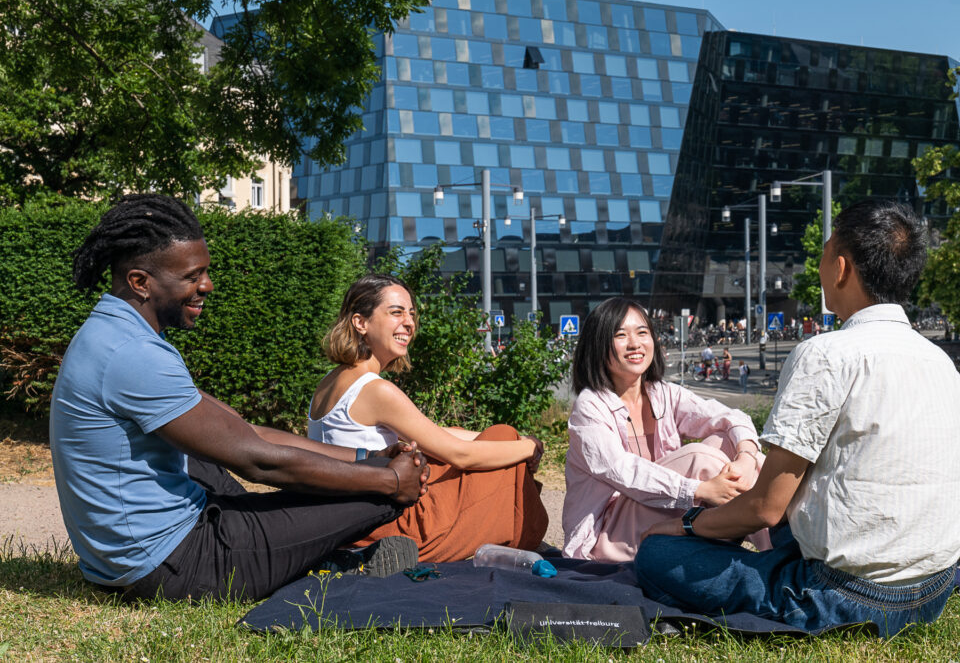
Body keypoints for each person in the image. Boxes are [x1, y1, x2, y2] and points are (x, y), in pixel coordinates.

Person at [635, 199, 960, 636]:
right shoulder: (943, 365)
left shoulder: (826, 355)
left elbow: (765, 507)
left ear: (840, 268)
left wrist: (685, 525)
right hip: (929, 590)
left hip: (844, 599)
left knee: (656, 555)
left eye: (822, 253)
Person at [50, 195, 430, 602]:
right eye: (192, 276)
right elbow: (256, 459)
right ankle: (336, 568)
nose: (207, 286)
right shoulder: (132, 354)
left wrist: (361, 459)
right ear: (141, 282)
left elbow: (243, 430)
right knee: (379, 497)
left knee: (205, 456)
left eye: (205, 272)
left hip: (127, 557)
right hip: (169, 567)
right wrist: (388, 479)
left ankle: (312, 554)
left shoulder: (115, 332)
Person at [308, 274, 548, 562]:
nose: (409, 323)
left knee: (492, 438)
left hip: (348, 524)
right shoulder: (375, 390)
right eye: (396, 312)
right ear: (361, 323)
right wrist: (528, 446)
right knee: (504, 437)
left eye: (411, 313)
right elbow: (461, 455)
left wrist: (515, 441)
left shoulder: (331, 382)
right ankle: (527, 535)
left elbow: (434, 432)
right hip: (386, 529)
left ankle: (521, 530)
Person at [561, 297, 769, 562]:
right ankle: (778, 554)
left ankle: (789, 547)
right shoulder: (589, 407)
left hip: (659, 513)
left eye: (642, 332)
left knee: (729, 444)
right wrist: (698, 491)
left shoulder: (662, 394)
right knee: (700, 457)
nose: (635, 343)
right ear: (598, 345)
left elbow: (730, 417)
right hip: (607, 536)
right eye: (621, 335)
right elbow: (624, 471)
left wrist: (746, 456)